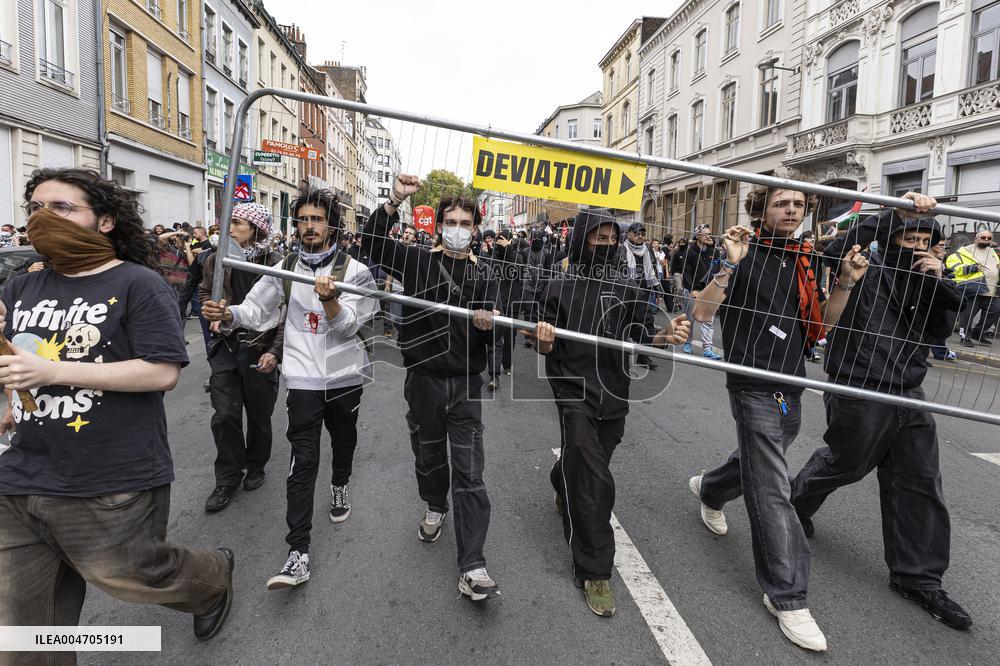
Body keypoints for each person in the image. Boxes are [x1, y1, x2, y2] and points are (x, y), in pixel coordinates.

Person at [0, 168, 233, 642]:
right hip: (20, 474)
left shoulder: (138, 283)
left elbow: (162, 371)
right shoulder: (21, 287)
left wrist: (53, 373)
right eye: (35, 209)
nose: (43, 218)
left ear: (105, 221)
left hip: (109, 475)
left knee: (132, 575)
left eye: (61, 208)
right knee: (20, 626)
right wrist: (10, 399)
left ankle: (211, 581)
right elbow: (16, 362)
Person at [689, 186, 869, 652]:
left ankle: (711, 488)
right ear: (761, 211)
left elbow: (822, 325)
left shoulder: (806, 258)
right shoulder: (740, 249)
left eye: (797, 204)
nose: (791, 210)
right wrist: (729, 263)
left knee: (768, 451)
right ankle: (787, 595)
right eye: (779, 203)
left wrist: (846, 281)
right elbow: (703, 311)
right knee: (772, 484)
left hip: (789, 386)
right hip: (752, 385)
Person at [792, 192, 971, 632]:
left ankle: (919, 577)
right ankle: (794, 503)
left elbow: (938, 330)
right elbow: (831, 251)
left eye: (922, 239)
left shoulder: (927, 274)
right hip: (858, 382)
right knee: (846, 463)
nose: (914, 245)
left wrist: (938, 281)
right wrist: (896, 211)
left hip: (908, 390)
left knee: (920, 478)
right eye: (907, 236)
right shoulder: (862, 261)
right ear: (893, 234)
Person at [203, 188, 378, 590]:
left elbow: (350, 326)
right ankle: (297, 552)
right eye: (303, 219)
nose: (310, 226)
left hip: (344, 376)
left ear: (331, 224)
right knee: (302, 461)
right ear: (294, 224)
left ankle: (340, 485)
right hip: (301, 379)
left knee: (344, 439)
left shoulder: (355, 272)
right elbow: (254, 311)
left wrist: (331, 301)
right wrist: (227, 313)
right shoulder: (283, 267)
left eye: (318, 219)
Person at [531, 208, 690, 617]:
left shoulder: (629, 285)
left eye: (610, 239)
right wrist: (544, 340)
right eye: (596, 238)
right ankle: (594, 570)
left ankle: (560, 478)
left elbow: (639, 334)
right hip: (572, 390)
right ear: (580, 239)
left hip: (615, 393)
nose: (604, 246)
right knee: (594, 484)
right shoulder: (556, 285)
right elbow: (542, 344)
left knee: (585, 463)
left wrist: (665, 336)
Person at [363, 174, 501, 602]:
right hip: (422, 382)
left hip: (464, 387)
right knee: (428, 457)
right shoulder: (417, 260)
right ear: (439, 226)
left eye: (465, 221)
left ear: (475, 229)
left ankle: (473, 565)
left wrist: (487, 327)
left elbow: (499, 339)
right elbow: (372, 244)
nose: (458, 228)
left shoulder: (489, 275)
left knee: (470, 472)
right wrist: (393, 202)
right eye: (451, 221)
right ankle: (435, 503)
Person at [198, 203, 284, 513]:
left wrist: (275, 352)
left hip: (260, 348)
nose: (229, 228)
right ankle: (227, 478)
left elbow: (285, 313)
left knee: (259, 415)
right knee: (224, 415)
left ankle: (256, 465)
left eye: (237, 223)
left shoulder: (276, 263)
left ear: (257, 229)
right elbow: (205, 291)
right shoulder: (215, 260)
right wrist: (210, 308)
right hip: (226, 347)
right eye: (228, 222)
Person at [484, 229, 524, 390]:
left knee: (509, 338)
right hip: (496, 305)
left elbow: (517, 270)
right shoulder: (494, 257)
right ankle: (494, 374)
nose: (499, 243)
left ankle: (507, 364)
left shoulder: (516, 256)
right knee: (495, 340)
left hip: (512, 303)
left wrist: (509, 250)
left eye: (503, 240)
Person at [945, 229, 1000, 346]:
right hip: (973, 288)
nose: (986, 240)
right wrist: (970, 268)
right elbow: (952, 266)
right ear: (975, 238)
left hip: (992, 290)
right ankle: (965, 337)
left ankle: (978, 333)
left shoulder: (992, 251)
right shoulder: (965, 251)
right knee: (967, 315)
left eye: (989, 238)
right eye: (983, 237)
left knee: (995, 310)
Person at [677, 225, 723, 359]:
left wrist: (716, 290)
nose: (708, 236)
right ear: (697, 236)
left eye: (709, 233)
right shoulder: (689, 252)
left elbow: (718, 272)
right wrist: (692, 290)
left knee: (708, 320)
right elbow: (686, 272)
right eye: (705, 234)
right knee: (689, 319)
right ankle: (688, 342)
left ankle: (707, 348)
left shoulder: (714, 252)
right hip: (693, 290)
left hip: (709, 292)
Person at [622, 222, 661, 369]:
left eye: (643, 234)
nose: (640, 236)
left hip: (644, 294)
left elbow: (653, 271)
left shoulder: (648, 250)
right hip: (626, 294)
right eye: (637, 233)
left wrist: (657, 289)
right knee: (624, 324)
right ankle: (621, 355)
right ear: (629, 234)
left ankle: (644, 356)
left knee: (647, 323)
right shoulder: (621, 250)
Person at [929, 239, 958, 362]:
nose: (943, 249)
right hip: (929, 298)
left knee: (940, 324)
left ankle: (940, 351)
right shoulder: (927, 260)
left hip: (939, 299)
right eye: (940, 245)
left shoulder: (940, 260)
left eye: (944, 246)